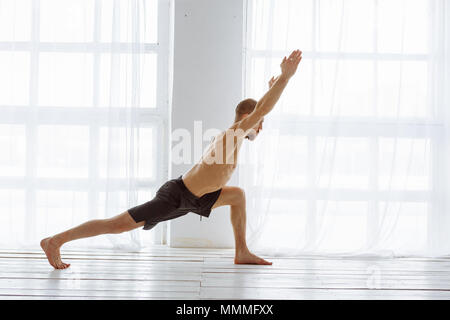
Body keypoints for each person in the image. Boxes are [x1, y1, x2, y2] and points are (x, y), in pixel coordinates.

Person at [40, 49, 303, 269]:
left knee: (237, 195)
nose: (261, 127)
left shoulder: (233, 137)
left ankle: (242, 251)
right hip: (177, 195)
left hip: (198, 196)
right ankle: (57, 240)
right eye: (260, 123)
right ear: (248, 119)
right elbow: (263, 109)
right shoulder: (232, 135)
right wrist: (285, 77)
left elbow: (260, 108)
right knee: (118, 225)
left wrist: (272, 89)